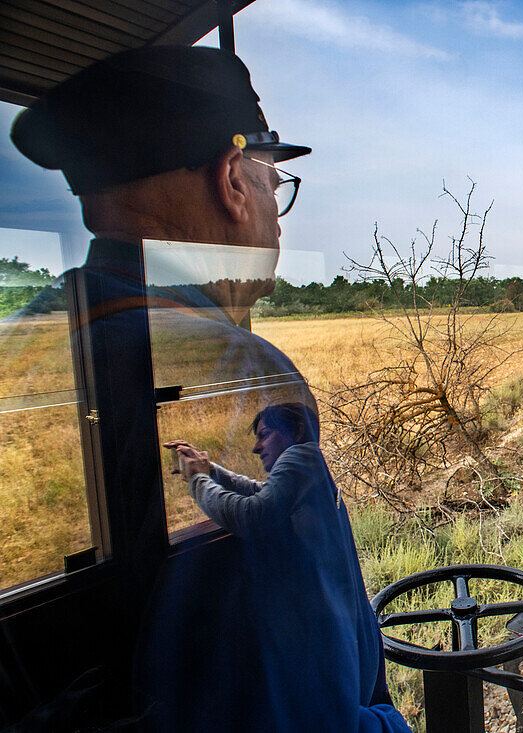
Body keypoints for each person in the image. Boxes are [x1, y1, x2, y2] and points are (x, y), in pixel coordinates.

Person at [9, 46, 409, 731]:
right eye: (273, 185)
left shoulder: (24, 348)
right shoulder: (242, 372)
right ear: (231, 180)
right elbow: (314, 707)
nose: (277, 219)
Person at [164, 404, 409, 732]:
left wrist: (197, 481)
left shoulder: (301, 455)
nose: (256, 446)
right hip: (352, 623)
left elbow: (254, 515)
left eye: (265, 434)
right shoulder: (310, 466)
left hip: (334, 630)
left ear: (296, 431)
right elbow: (258, 491)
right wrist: (209, 470)